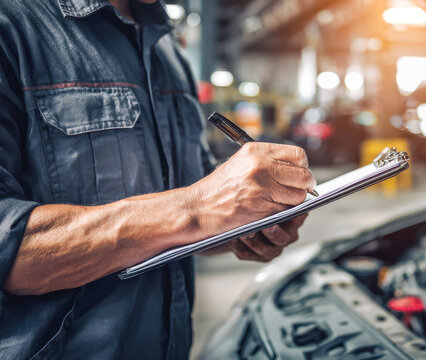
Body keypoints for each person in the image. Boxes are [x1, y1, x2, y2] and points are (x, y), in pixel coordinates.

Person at [0, 0, 314, 358]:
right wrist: (196, 208)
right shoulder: (12, 25)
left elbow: (186, 212)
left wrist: (243, 220)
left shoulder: (167, 51)